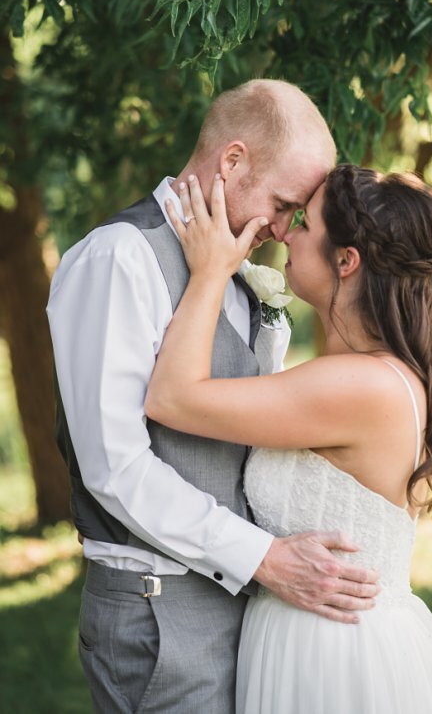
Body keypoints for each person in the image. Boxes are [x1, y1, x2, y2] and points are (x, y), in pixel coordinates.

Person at [48, 79, 379, 713]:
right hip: (161, 615)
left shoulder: (238, 274)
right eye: (283, 204)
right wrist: (266, 559)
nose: (285, 231)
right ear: (231, 161)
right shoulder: (119, 258)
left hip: (246, 611)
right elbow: (113, 466)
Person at [143, 164, 432, 711]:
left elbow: (171, 399)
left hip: (335, 659)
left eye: (305, 223)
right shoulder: (374, 372)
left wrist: (210, 272)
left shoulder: (359, 385)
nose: (285, 232)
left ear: (346, 261)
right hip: (315, 638)